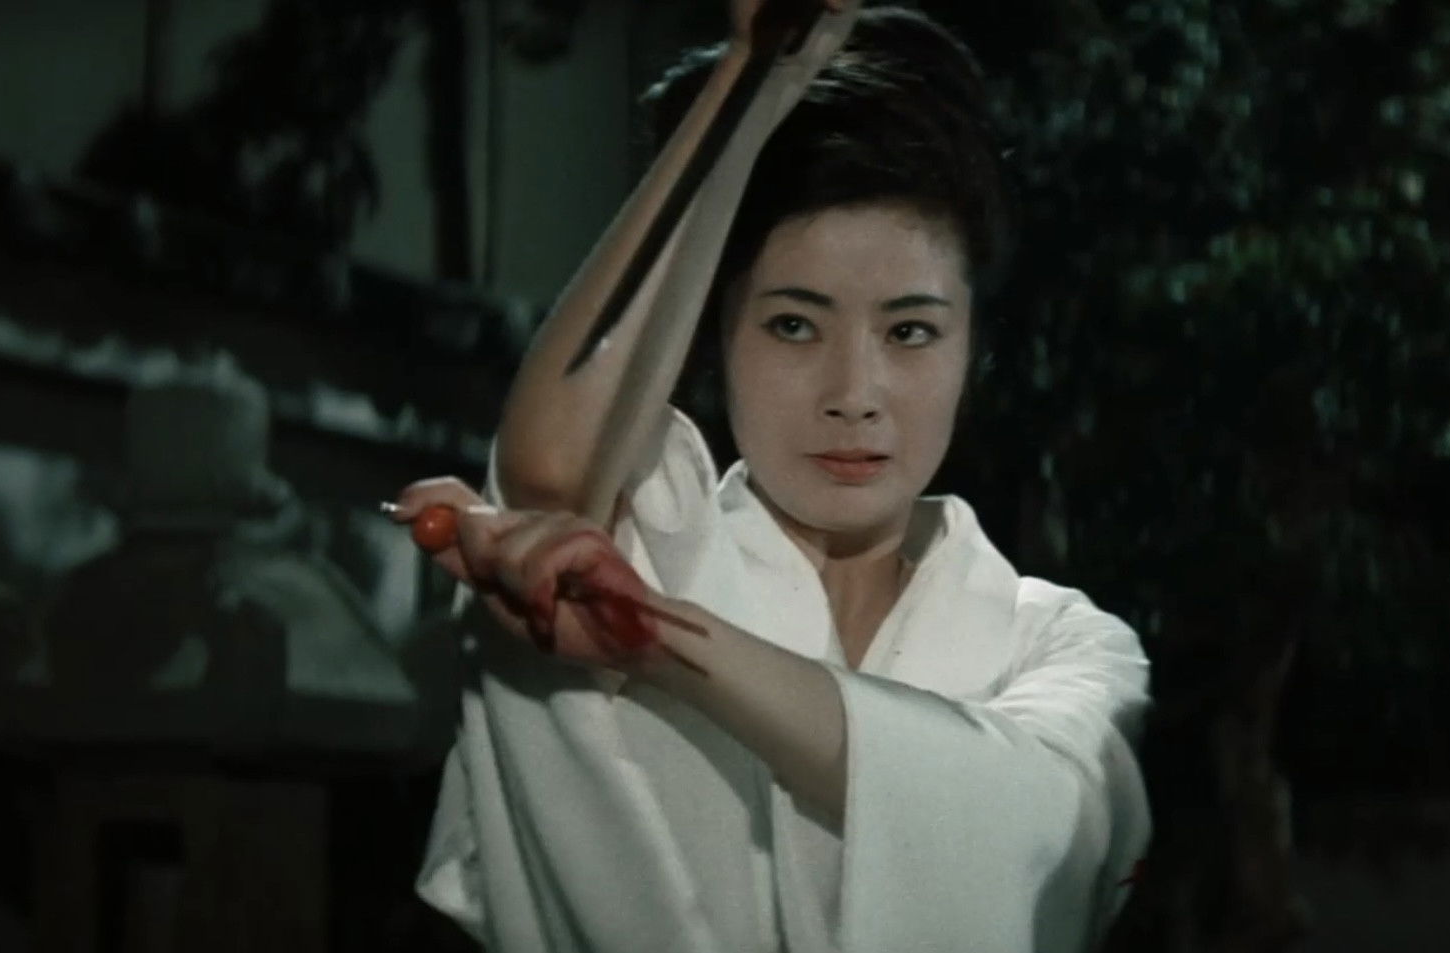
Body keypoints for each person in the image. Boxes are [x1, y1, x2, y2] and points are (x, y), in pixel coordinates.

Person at [393, 4, 1150, 951]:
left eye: (911, 331)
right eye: (793, 325)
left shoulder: (1063, 643)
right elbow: (546, 474)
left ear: (973, 350)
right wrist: (754, 80)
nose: (854, 394)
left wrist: (662, 645)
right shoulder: (651, 548)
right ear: (715, 334)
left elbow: (1030, 820)